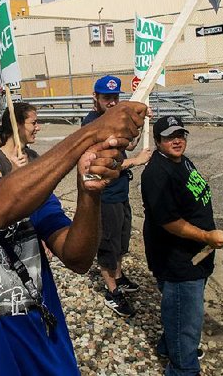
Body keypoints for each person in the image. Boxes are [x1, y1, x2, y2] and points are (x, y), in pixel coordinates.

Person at [0, 102, 147, 375]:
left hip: (49, 356)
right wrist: (90, 133)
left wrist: (89, 191)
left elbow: (78, 258)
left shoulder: (29, 194)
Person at [141, 115, 223, 376]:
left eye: (180, 134)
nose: (177, 140)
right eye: (169, 136)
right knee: (187, 323)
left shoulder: (183, 161)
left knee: (180, 315)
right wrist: (205, 237)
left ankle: (169, 346)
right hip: (178, 260)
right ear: (157, 141)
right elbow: (168, 222)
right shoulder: (156, 174)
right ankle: (183, 368)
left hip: (196, 255)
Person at [81, 75, 151, 317]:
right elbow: (99, 167)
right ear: (96, 98)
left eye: (115, 98)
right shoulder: (92, 125)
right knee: (108, 243)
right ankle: (112, 292)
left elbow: (127, 146)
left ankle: (119, 277)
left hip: (120, 191)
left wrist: (140, 127)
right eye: (106, 98)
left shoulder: (116, 120)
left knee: (121, 239)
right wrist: (136, 162)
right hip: (106, 195)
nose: (112, 103)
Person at [0, 102, 41, 177]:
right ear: (16, 125)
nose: (38, 128)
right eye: (33, 123)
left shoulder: (33, 155)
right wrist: (14, 173)